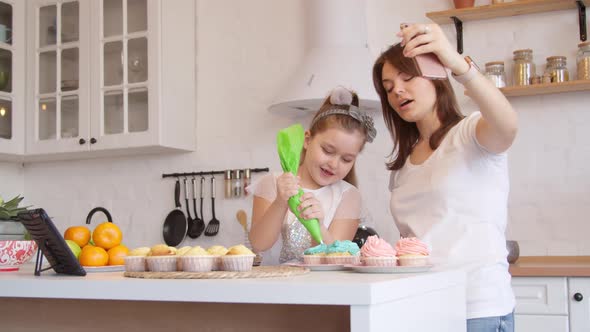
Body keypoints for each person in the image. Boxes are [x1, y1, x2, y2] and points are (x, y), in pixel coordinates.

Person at [372, 23, 518, 332]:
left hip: (477, 309)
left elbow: (508, 125)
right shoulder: (402, 165)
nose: (397, 90)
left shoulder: (471, 133)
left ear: (437, 76)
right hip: (425, 307)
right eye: (388, 87)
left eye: (407, 77)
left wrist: (456, 63)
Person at [248, 87, 377, 265]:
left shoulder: (348, 196)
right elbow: (259, 244)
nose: (334, 164)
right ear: (307, 140)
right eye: (327, 151)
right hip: (272, 287)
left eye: (346, 159)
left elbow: (337, 260)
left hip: (321, 290)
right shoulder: (272, 183)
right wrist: (280, 202)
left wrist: (319, 226)